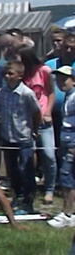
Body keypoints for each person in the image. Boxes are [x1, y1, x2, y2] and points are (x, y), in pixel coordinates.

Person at [0, 60, 42, 213]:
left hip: (23, 136)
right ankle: (18, 196)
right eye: (6, 73)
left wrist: (34, 130)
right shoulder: (2, 91)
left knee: (26, 169)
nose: (7, 76)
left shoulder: (26, 93)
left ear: (20, 76)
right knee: (12, 170)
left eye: (11, 74)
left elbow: (36, 112)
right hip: (7, 136)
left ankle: (28, 201)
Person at [19, 46, 57, 204]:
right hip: (27, 120)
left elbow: (51, 93)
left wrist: (48, 112)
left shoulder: (44, 71)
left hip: (43, 119)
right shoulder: (22, 74)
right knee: (28, 157)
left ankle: (50, 188)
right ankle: (29, 189)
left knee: (49, 155)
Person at [49, 66, 75, 228]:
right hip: (65, 139)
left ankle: (67, 213)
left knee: (67, 177)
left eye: (64, 79)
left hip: (72, 140)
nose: (60, 83)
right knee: (68, 176)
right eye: (58, 79)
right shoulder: (68, 97)